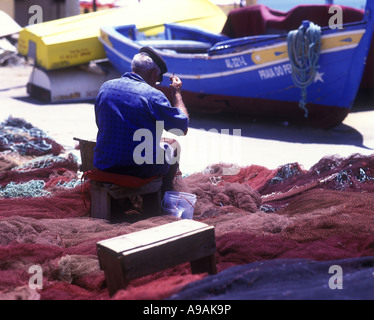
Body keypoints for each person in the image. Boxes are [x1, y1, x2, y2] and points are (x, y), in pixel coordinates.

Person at [93, 46, 189, 199]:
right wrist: (176, 94)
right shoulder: (153, 95)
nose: (155, 84)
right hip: (138, 169)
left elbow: (102, 124)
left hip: (104, 164)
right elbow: (182, 128)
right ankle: (160, 203)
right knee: (174, 146)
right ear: (153, 73)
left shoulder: (105, 88)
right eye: (157, 80)